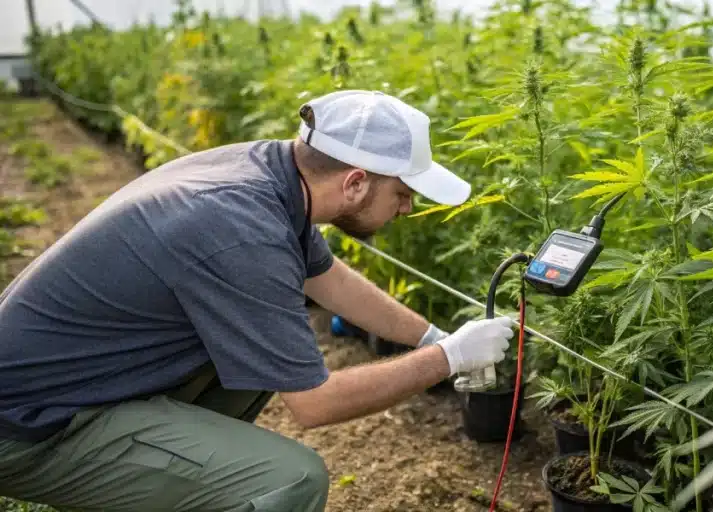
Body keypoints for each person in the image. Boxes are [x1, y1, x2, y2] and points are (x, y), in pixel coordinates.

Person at [0, 89, 515, 511]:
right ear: (355, 182)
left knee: (251, 370)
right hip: (32, 427)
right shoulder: (240, 227)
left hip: (75, 385)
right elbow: (316, 402)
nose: (407, 208)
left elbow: (326, 279)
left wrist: (432, 337)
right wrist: (449, 358)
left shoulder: (269, 174)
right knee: (290, 480)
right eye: (403, 193)